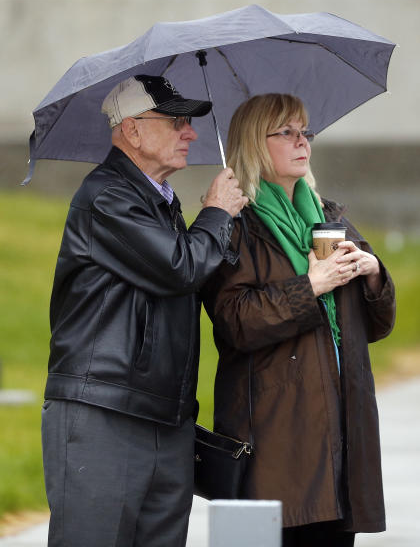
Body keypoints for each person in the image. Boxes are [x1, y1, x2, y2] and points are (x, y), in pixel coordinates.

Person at [41, 74, 248, 547]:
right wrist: (216, 212)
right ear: (132, 131)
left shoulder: (160, 204)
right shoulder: (107, 197)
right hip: (103, 413)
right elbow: (179, 266)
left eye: (190, 123)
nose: (190, 133)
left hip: (164, 419)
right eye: (176, 121)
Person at [201, 93, 396, 547]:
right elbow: (235, 322)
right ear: (254, 142)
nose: (302, 141)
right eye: (286, 132)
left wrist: (372, 275)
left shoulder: (329, 219)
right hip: (267, 441)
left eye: (305, 131)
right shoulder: (234, 224)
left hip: (337, 435)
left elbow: (376, 327)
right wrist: (310, 286)